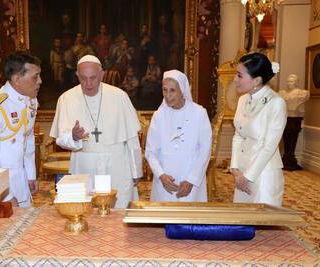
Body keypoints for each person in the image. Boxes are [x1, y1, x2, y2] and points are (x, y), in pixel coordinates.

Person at [50, 55, 143, 208]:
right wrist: (73, 136)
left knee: (118, 210)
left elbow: (132, 139)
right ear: (77, 75)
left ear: (102, 75)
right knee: (86, 210)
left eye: (93, 78)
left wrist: (136, 170)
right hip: (84, 165)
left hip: (117, 165)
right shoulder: (66, 99)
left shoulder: (120, 96)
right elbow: (61, 139)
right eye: (83, 78)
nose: (88, 84)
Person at [0, 51, 41, 208]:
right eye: (35, 77)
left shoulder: (31, 101)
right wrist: (5, 196)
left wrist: (31, 175)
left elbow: (28, 139)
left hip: (21, 181)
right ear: (17, 79)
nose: (40, 81)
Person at [145, 70, 212, 202]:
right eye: (165, 90)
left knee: (190, 219)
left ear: (182, 90)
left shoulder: (199, 113)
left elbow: (205, 150)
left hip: (191, 182)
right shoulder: (158, 116)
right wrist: (161, 175)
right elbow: (150, 152)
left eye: (172, 90)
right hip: (165, 183)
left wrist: (191, 180)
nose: (168, 95)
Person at [230, 52, 287, 207]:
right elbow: (238, 135)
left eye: (239, 75)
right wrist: (235, 170)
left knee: (264, 226)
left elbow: (269, 146)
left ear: (256, 80)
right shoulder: (243, 99)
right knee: (242, 224)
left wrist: (247, 177)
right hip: (242, 173)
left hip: (263, 174)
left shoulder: (276, 103)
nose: (235, 79)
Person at [279, 74, 309, 171]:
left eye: (291, 81)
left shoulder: (302, 93)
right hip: (286, 117)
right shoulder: (283, 93)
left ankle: (290, 160)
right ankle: (287, 159)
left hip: (295, 118)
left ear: (296, 82)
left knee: (292, 138)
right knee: (286, 138)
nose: (289, 83)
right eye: (288, 81)